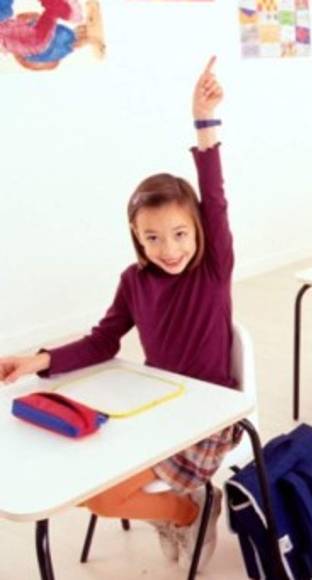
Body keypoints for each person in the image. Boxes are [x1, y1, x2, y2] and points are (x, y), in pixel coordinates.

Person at [0, 57, 235, 570]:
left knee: (106, 496)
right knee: (82, 487)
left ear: (198, 233)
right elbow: (102, 342)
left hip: (208, 416)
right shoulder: (134, 282)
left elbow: (213, 198)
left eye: (180, 234)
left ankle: (189, 511)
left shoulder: (212, 269)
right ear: (136, 237)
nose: (168, 248)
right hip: (155, 407)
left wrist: (203, 121)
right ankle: (178, 511)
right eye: (152, 237)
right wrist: (35, 361)